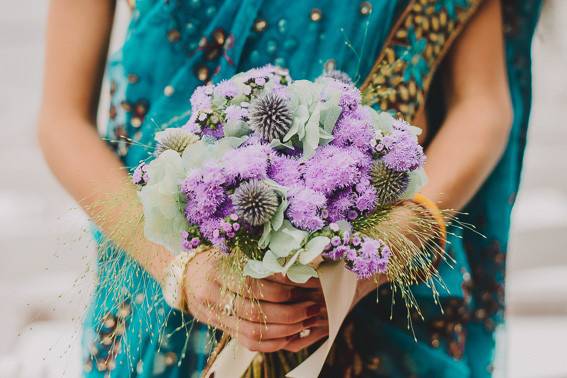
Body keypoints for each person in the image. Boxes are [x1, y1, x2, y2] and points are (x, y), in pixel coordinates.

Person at [37, 0, 541, 377]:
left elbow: (483, 104)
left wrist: (402, 234)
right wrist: (179, 270)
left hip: (375, 282)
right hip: (162, 279)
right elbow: (62, 119)